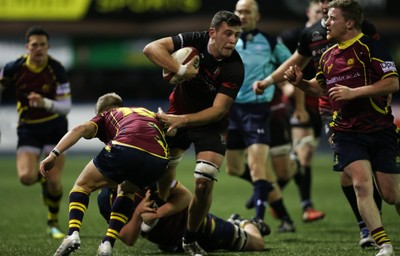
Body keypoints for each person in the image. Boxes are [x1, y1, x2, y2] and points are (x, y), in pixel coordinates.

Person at [253, 0, 381, 247]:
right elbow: (294, 63)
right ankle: (367, 227)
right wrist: (268, 81)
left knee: (381, 180)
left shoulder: (364, 27)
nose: (324, 4)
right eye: (320, 1)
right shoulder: (311, 34)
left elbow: (380, 63)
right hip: (331, 110)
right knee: (351, 170)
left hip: (367, 106)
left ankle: (377, 216)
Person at [283, 1, 400, 255]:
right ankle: (384, 244)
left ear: (349, 22)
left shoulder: (372, 47)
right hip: (346, 131)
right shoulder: (327, 56)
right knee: (360, 184)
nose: (326, 22)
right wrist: (301, 83)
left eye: (332, 18)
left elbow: (392, 83)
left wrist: (353, 92)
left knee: (391, 195)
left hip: (379, 129)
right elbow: (322, 88)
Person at [143, 10, 245, 256]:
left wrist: (182, 120)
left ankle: (190, 238)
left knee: (204, 179)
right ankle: (158, 201)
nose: (233, 40)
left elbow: (218, 111)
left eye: (237, 35)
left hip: (209, 124)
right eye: (228, 33)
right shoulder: (194, 40)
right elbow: (151, 48)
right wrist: (179, 69)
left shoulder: (235, 67)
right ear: (212, 33)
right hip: (178, 111)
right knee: (164, 171)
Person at [39, 92, 171, 256]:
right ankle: (107, 243)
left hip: (127, 146)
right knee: (127, 191)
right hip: (160, 160)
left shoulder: (106, 115)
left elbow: (79, 129)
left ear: (101, 111)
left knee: (82, 186)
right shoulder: (146, 112)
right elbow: (172, 130)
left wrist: (54, 154)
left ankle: (72, 234)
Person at [224, 0, 295, 233]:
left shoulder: (271, 42)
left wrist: (286, 84)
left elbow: (291, 64)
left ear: (257, 16)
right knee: (234, 168)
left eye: (247, 12)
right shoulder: (226, 41)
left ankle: (259, 218)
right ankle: (267, 192)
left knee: (257, 168)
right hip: (230, 110)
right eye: (239, 11)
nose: (242, 16)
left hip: (257, 110)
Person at [0, 26, 71, 239]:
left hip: (55, 129)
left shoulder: (57, 70)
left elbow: (66, 106)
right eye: (34, 45)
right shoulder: (14, 67)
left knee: (54, 182)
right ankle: (41, 180)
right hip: (29, 128)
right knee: (25, 177)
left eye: (42, 45)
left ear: (48, 47)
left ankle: (53, 223)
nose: (38, 48)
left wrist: (45, 103)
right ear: (27, 47)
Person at [97, 180, 266, 253]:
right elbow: (128, 239)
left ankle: (246, 222)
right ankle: (234, 222)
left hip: (197, 226)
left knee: (257, 243)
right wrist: (138, 214)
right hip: (170, 244)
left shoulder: (145, 176)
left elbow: (186, 197)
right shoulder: (105, 200)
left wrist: (157, 213)